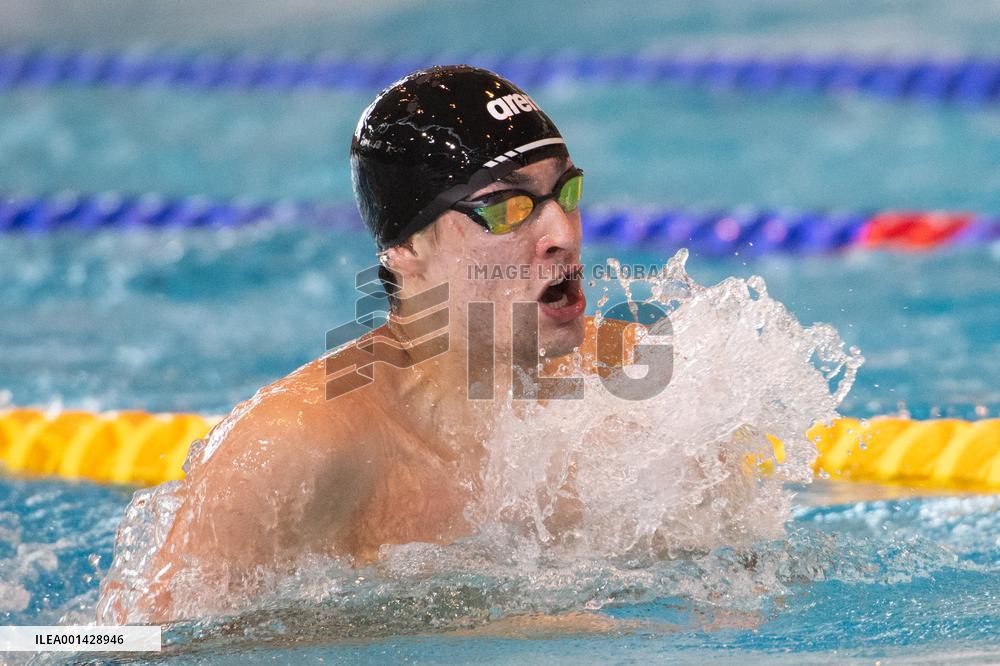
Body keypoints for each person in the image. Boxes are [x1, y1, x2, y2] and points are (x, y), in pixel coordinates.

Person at [97, 65, 647, 624]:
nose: (563, 234)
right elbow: (131, 647)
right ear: (406, 248)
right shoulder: (297, 447)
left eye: (566, 192)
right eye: (507, 207)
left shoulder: (630, 378)